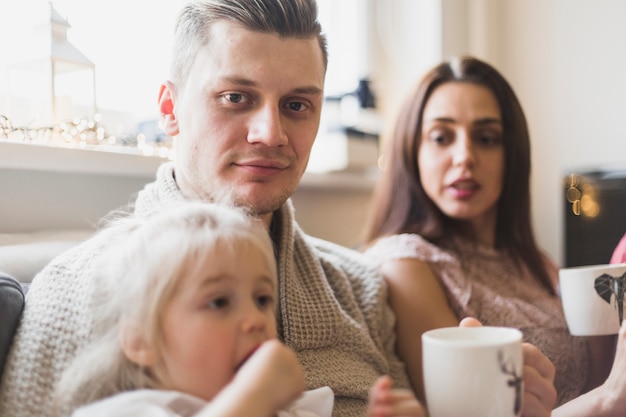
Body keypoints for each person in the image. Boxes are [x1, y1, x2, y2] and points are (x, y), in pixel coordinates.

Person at [0, 2, 555, 417]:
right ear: (170, 109)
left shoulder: (361, 290)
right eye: (236, 98)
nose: (271, 134)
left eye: (297, 105)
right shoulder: (75, 290)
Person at [361, 55, 615, 409]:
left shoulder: (536, 265)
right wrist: (608, 399)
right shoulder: (406, 263)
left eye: (486, 138)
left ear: (512, 156)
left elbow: (600, 379)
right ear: (411, 150)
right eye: (441, 137)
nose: (464, 156)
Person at [54, 202, 422, 417]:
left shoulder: (290, 408)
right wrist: (255, 398)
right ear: (140, 340)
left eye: (262, 299)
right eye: (218, 302)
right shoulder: (127, 411)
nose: (255, 321)